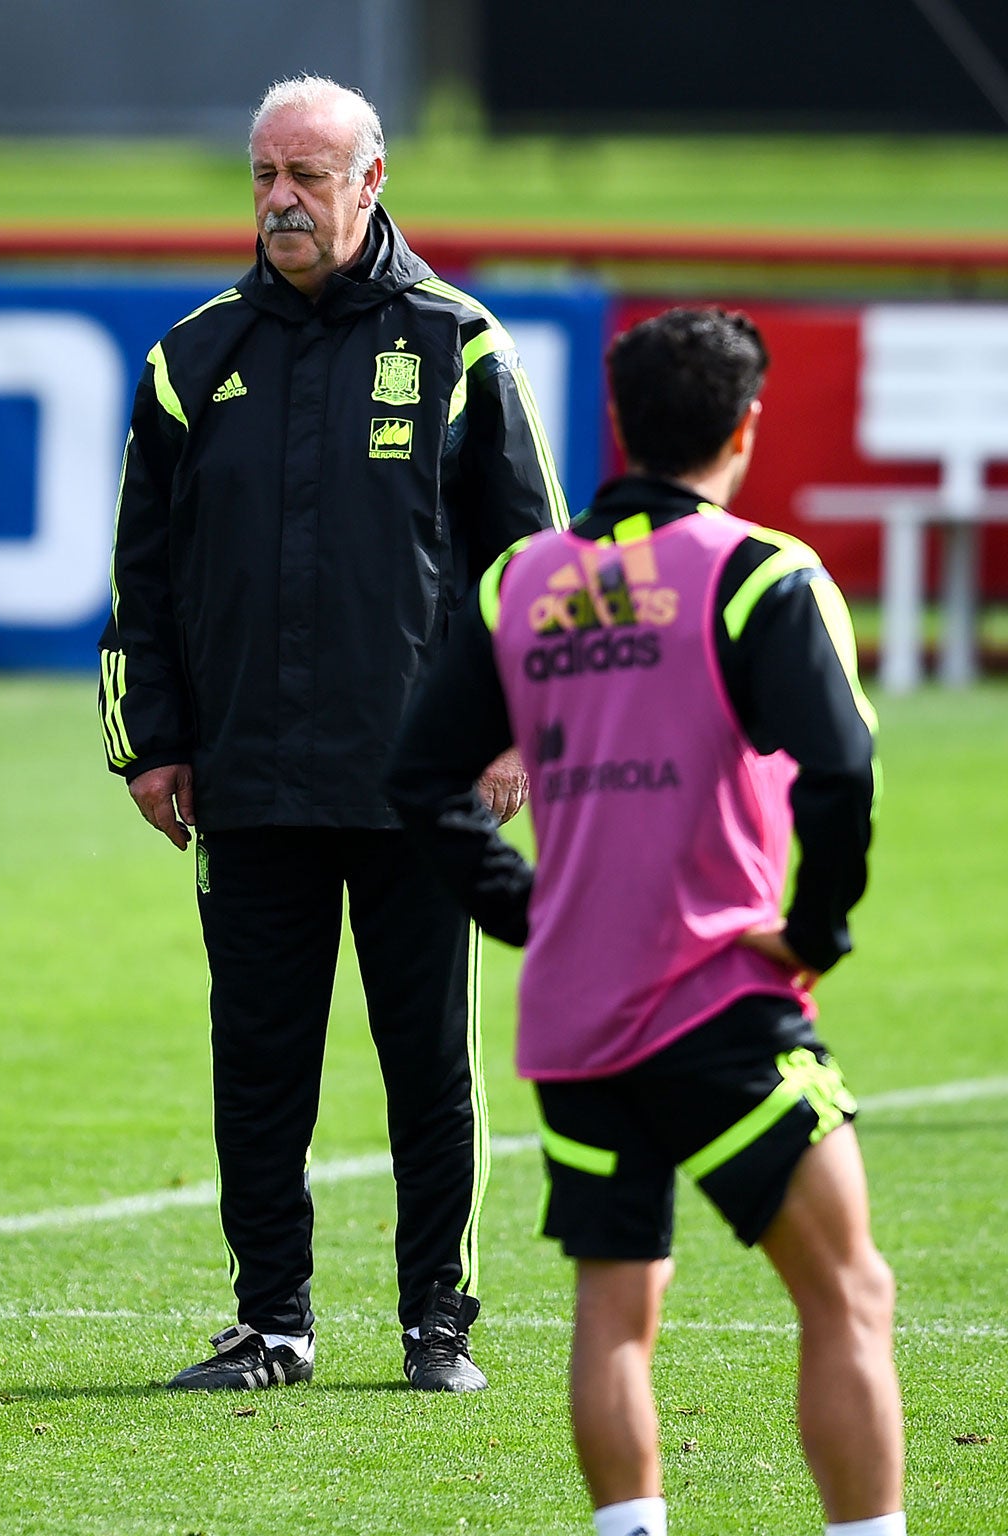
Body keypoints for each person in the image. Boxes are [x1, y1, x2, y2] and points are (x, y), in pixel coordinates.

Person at [386, 307, 898, 1536]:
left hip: (574, 1025)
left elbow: (419, 778)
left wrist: (526, 908)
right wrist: (815, 932)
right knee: (846, 1294)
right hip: (720, 1002)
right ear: (744, 426)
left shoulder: (525, 579)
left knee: (614, 1312)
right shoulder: (760, 574)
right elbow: (840, 773)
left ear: (618, 422)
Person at [99, 74, 565, 1393]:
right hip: (246, 785)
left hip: (425, 786)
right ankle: (273, 1324)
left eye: (308, 177)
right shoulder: (192, 360)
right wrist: (153, 742)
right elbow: (143, 576)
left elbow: (533, 567)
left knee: (429, 1064)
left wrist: (518, 733)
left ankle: (439, 1323)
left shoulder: (460, 343)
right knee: (258, 1066)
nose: (282, 202)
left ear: (371, 181)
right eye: (263, 177)